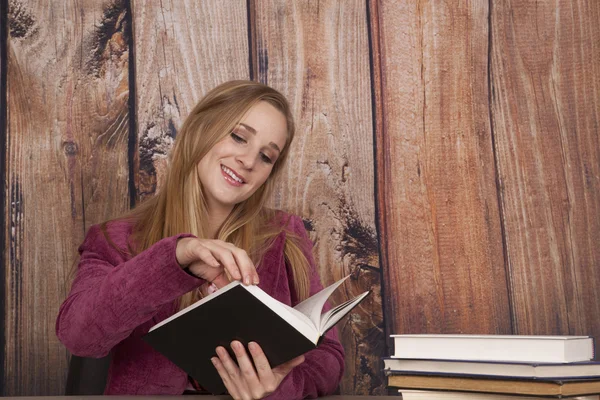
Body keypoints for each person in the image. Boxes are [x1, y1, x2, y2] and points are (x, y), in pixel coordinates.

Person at [56, 80, 345, 399]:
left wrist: (277, 390)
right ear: (199, 130)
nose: (248, 161)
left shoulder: (285, 235)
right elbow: (78, 335)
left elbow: (328, 358)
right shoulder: (116, 239)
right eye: (238, 137)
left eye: (266, 157)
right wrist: (174, 259)